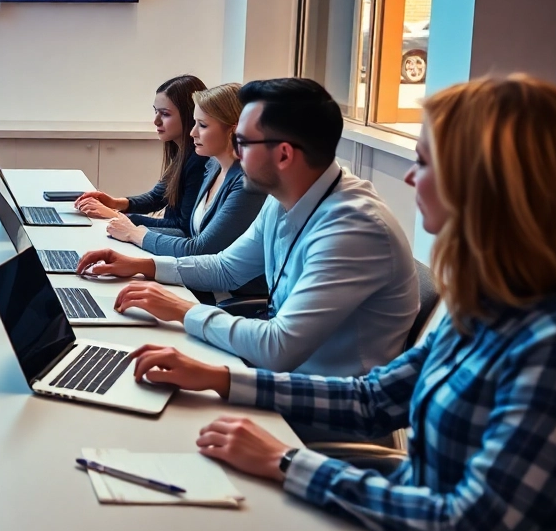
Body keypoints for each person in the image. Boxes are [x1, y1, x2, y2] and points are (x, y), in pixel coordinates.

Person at [127, 75, 556, 531]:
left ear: (485, 181)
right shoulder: (484, 300)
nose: (411, 178)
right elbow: (377, 396)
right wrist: (220, 379)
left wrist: (287, 462)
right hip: (392, 506)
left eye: (425, 162)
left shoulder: (548, 344)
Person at [76, 78, 419, 385]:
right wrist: (143, 266)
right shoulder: (285, 195)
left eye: (241, 141)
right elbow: (227, 267)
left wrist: (182, 310)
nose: (234, 153)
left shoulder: (353, 230)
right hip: (280, 375)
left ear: (283, 155)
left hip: (320, 406)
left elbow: (278, 347)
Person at [105, 83, 267, 297]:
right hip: (197, 282)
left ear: (234, 129)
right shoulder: (213, 165)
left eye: (202, 125)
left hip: (226, 296)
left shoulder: (248, 183)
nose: (192, 133)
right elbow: (190, 235)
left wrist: (135, 233)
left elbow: (201, 249)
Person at [74, 75, 209, 236]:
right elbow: (156, 197)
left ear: (189, 115)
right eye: (156, 112)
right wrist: (116, 203)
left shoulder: (199, 160)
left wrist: (118, 216)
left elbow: (182, 227)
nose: (156, 121)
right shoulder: (182, 152)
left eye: (165, 114)